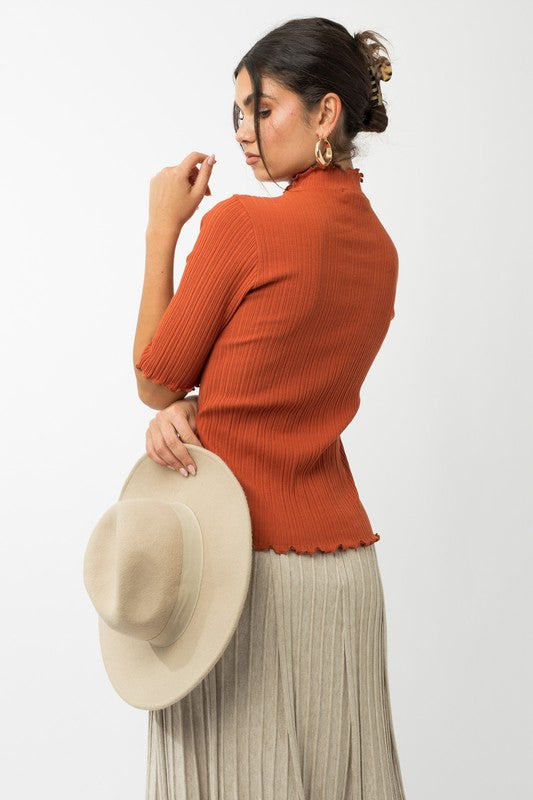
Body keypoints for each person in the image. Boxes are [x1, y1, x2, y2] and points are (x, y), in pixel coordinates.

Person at [133, 16, 406, 800]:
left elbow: (154, 376)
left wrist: (162, 229)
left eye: (263, 108)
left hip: (240, 568)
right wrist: (200, 402)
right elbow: (282, 382)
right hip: (342, 573)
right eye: (238, 114)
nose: (246, 133)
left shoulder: (242, 226)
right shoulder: (381, 252)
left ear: (325, 114)